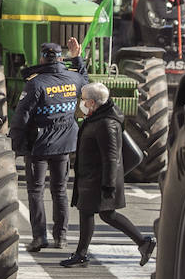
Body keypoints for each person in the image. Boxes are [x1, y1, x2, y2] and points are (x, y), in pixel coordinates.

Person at [61, 82, 155, 267]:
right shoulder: (98, 117)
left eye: (83, 99)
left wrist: (109, 185)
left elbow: (112, 157)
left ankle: (142, 242)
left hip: (100, 179)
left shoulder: (106, 123)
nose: (81, 102)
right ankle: (142, 243)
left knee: (101, 214)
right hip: (92, 177)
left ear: (92, 102)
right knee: (96, 213)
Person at [9, 38, 88, 252]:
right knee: (60, 191)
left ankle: (39, 237)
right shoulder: (74, 79)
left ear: (43, 58)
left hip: (39, 147)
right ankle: (61, 238)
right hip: (64, 145)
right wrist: (77, 58)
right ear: (61, 58)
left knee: (36, 191)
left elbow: (20, 118)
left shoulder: (35, 83)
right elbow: (87, 84)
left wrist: (14, 147)